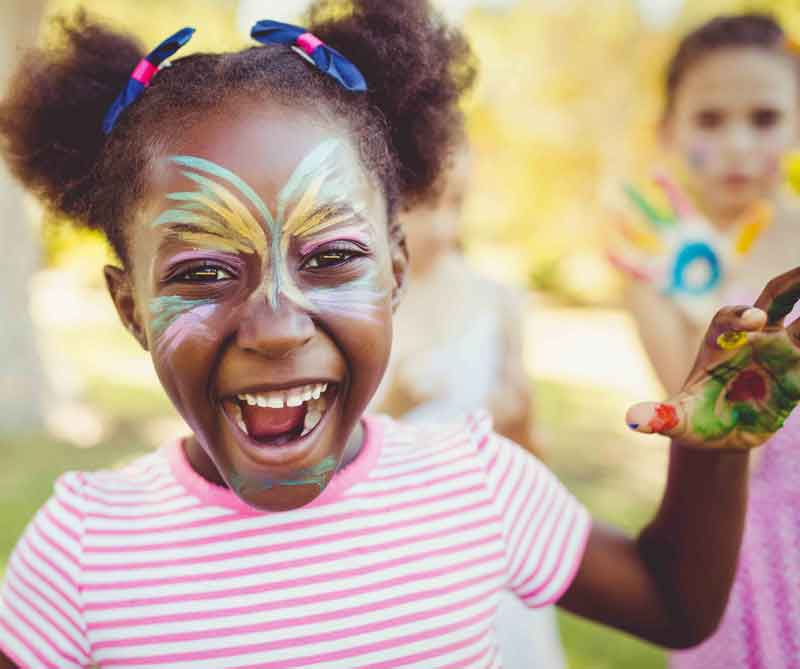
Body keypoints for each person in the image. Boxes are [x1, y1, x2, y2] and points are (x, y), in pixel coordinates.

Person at [1, 3, 799, 668]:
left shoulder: (473, 480)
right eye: (204, 272)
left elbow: (674, 603)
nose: (276, 326)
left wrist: (713, 450)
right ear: (131, 306)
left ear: (395, 268)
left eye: (334, 256)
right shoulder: (81, 550)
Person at [618, 14, 800, 668]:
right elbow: (713, 434)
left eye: (764, 118)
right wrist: (698, 301)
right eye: (710, 120)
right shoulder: (654, 275)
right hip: (740, 547)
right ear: (669, 130)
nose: (738, 145)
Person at [372, 142, 562, 668]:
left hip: (481, 544)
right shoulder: (360, 303)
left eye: (455, 204)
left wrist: (519, 421)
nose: (441, 227)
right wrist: (393, 405)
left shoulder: (496, 302)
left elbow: (533, 456)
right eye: (422, 203)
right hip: (392, 549)